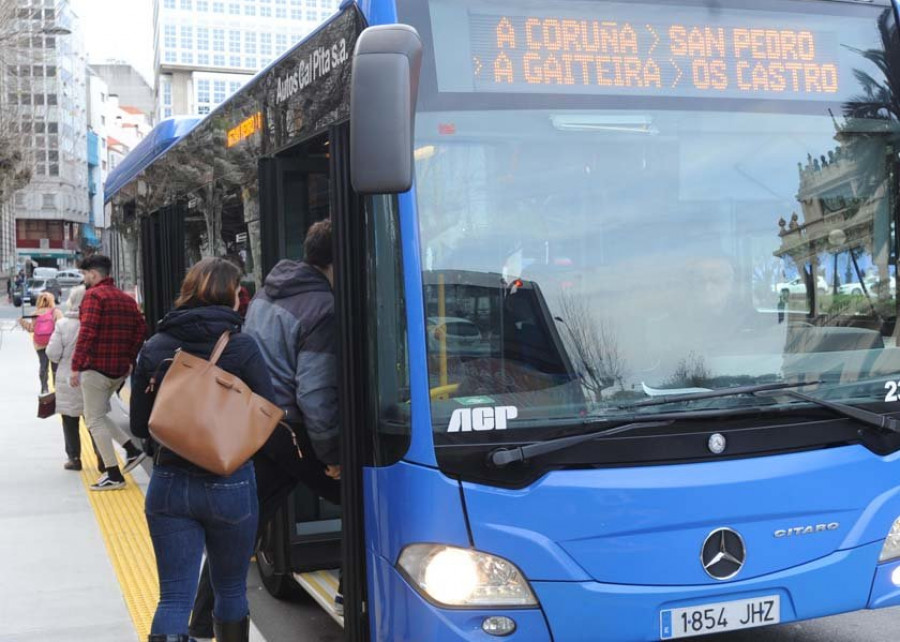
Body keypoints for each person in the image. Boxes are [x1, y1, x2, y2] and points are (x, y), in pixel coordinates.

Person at [188, 221, 343, 639]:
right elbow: (315, 393)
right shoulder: (323, 308)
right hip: (293, 431)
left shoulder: (270, 290)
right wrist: (332, 456)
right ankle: (353, 588)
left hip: (259, 421)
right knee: (359, 494)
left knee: (242, 525)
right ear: (340, 257)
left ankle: (202, 619)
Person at [130, 257, 277, 642]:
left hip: (169, 482)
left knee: (174, 597)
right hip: (231, 483)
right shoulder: (242, 347)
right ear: (232, 298)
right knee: (230, 589)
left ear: (188, 291)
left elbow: (137, 424)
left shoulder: (155, 346)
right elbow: (268, 409)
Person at [70, 254, 148, 491]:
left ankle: (113, 474)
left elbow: (87, 333)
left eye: (85, 274)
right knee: (100, 415)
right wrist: (129, 359)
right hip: (118, 371)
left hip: (96, 370)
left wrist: (76, 365)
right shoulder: (125, 299)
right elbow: (141, 329)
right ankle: (132, 451)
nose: (85, 279)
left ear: (93, 274)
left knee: (93, 419)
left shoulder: (94, 296)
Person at [46, 286, 87, 470]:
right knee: (95, 420)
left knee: (70, 419)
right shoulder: (94, 322)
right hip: (92, 376)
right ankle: (103, 459)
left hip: (68, 376)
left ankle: (74, 458)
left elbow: (52, 353)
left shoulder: (63, 324)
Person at [19, 292, 63, 394]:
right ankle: (57, 388)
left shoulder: (35, 314)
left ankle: (44, 388)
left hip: (40, 344)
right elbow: (61, 328)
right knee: (55, 366)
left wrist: (22, 322)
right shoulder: (56, 312)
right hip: (53, 344)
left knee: (43, 366)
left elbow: (31, 329)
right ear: (51, 301)